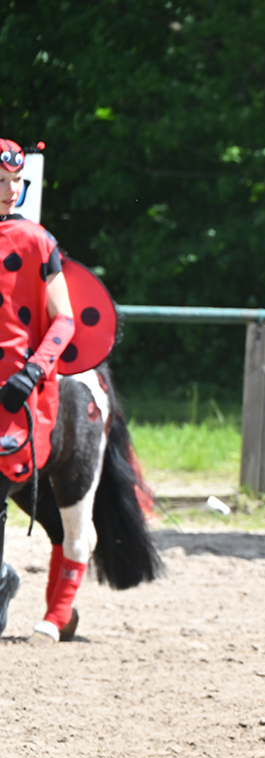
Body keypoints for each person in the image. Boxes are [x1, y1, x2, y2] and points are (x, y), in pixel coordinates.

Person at [0, 136, 79, 638]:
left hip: (14, 396)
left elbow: (64, 319)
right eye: (1, 182)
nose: (11, 191)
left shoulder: (37, 241)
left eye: (16, 181)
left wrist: (33, 371)